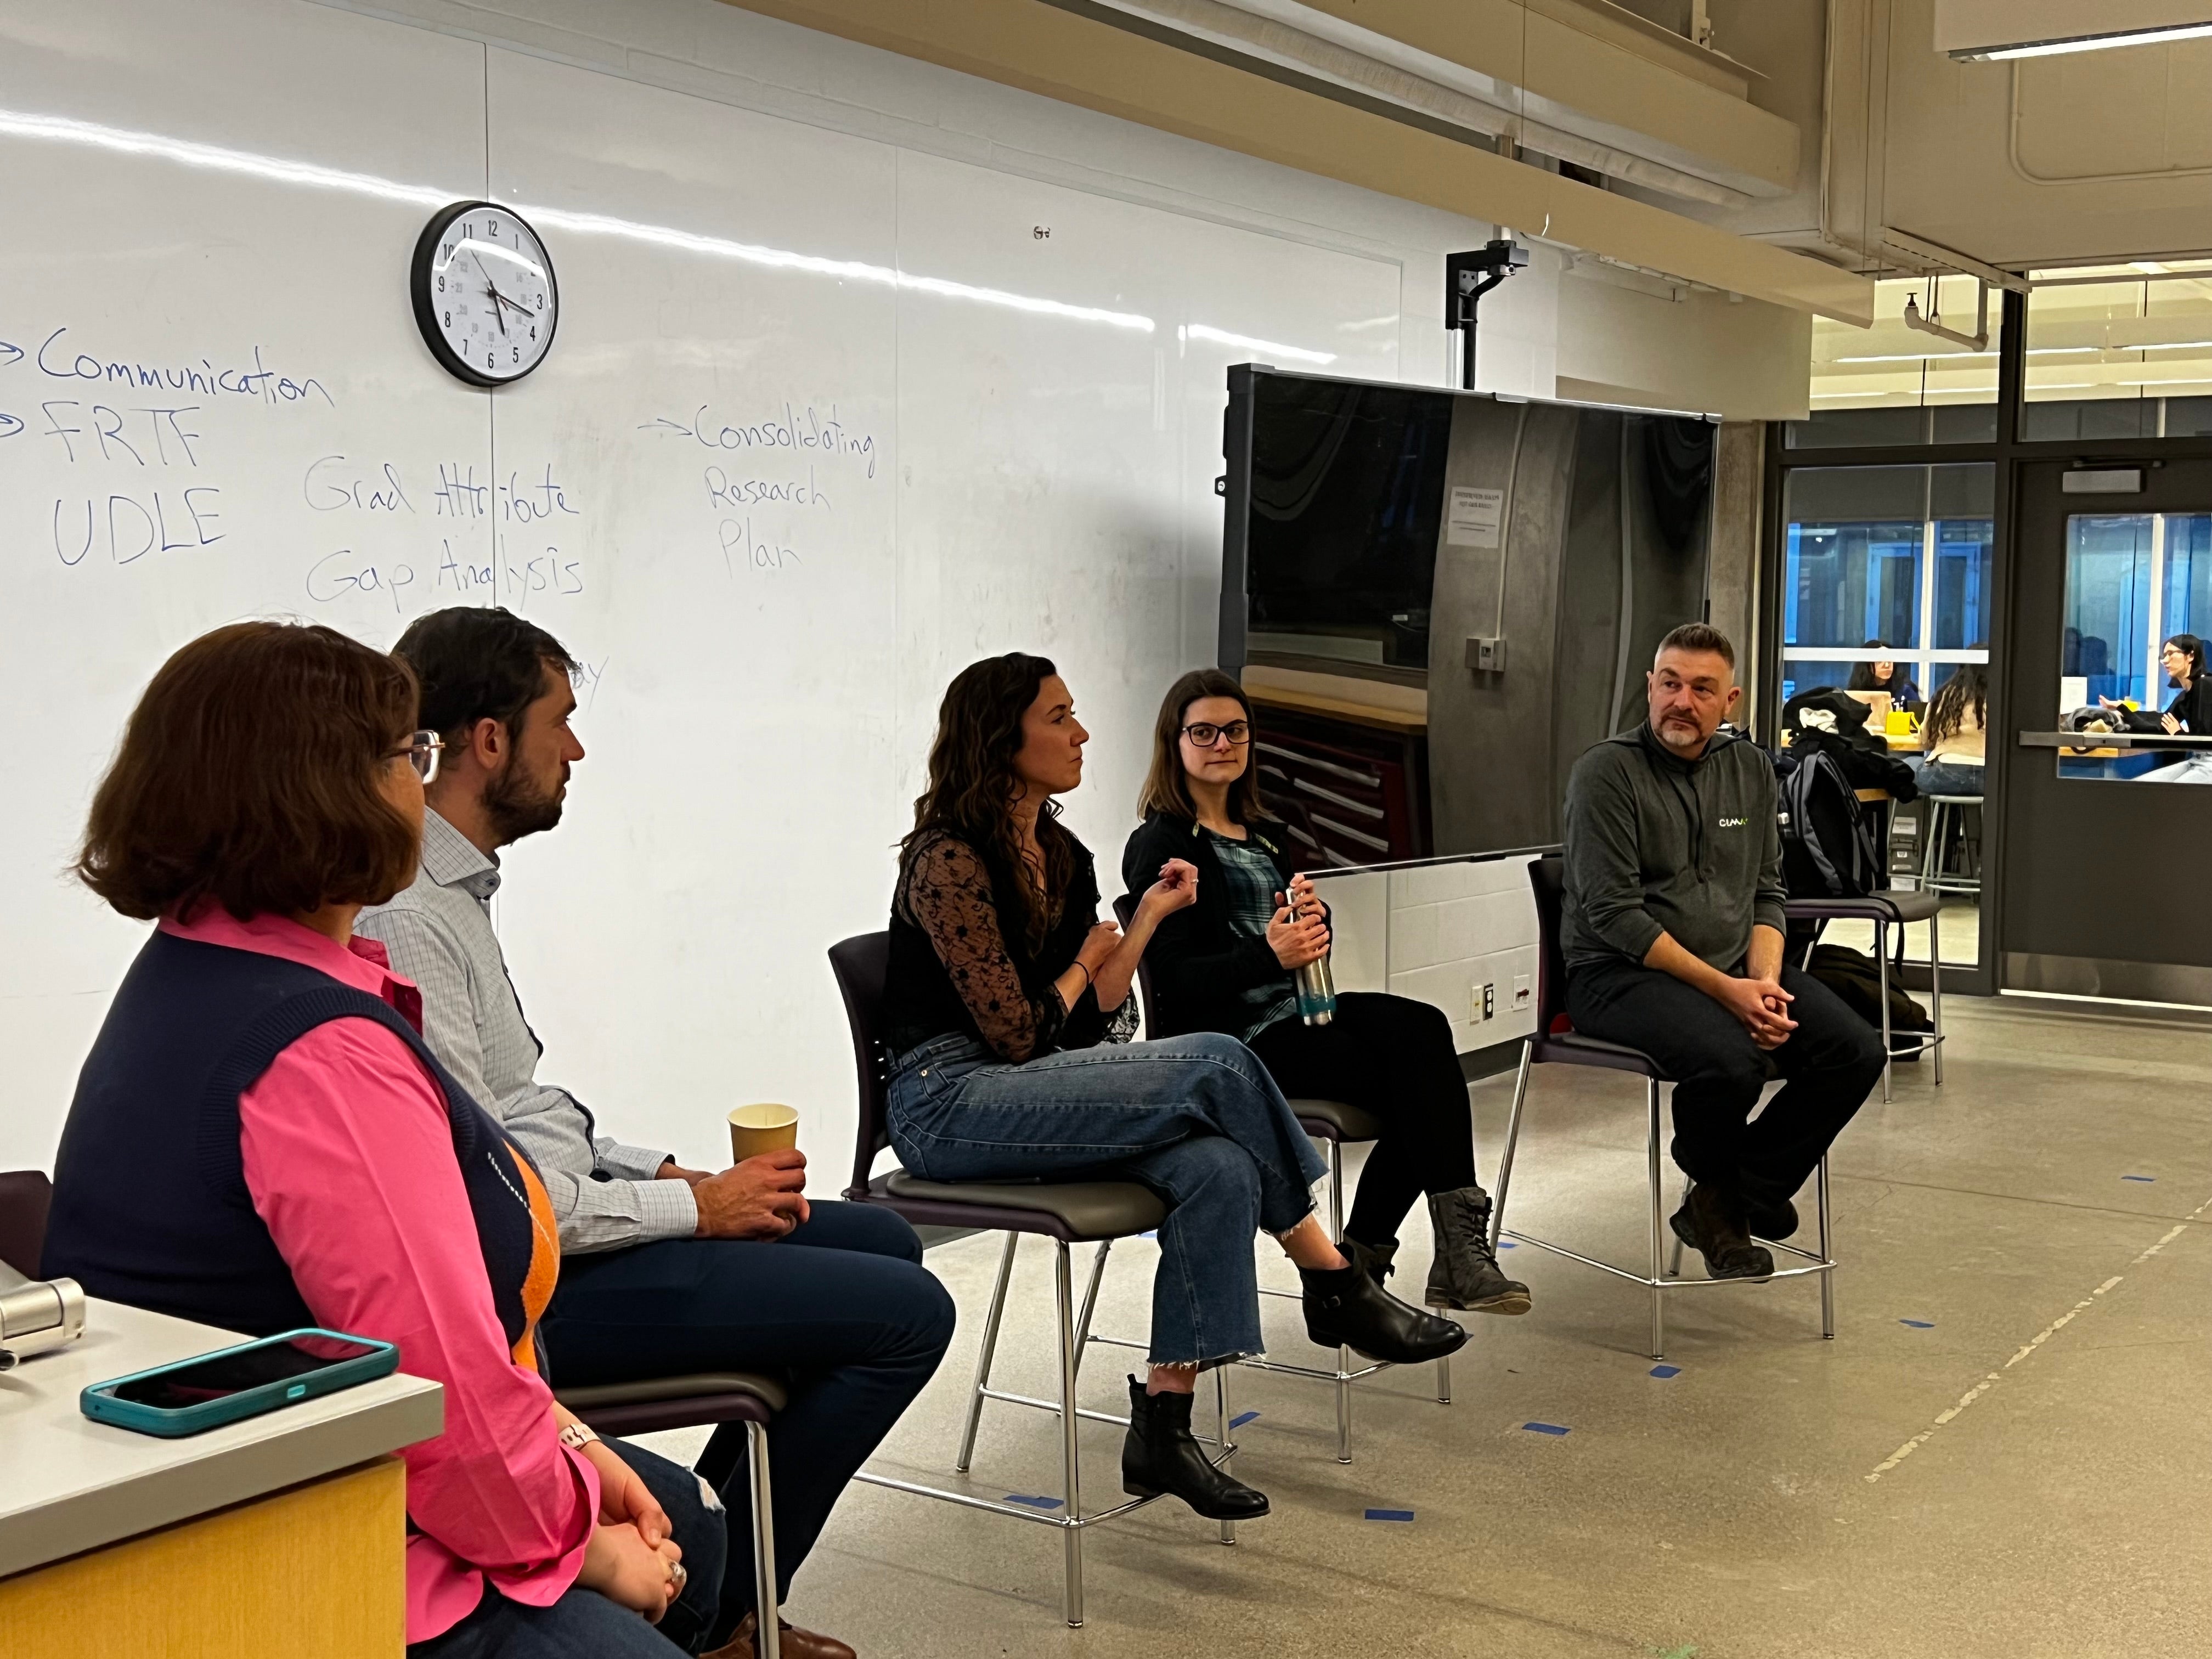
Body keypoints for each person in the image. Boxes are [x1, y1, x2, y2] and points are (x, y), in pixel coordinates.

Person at [42, 620, 726, 1657]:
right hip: (304, 1539)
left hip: (256, 1477)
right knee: (678, 1552)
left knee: (693, 1533)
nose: (424, 781)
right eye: (411, 755)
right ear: (325, 794)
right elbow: (445, 1395)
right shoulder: (323, 1052)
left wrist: (571, 1441)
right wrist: (582, 1543)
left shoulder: (196, 965)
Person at [358, 607, 951, 1659]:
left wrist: (662, 1169)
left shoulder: (454, 892)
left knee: (885, 1240)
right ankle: (725, 1613)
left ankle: (722, 1598)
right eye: (560, 721)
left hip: (561, 1226)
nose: (576, 749)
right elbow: (489, 1193)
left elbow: (520, 1107)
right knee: (906, 1312)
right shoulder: (409, 915)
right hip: (537, 1283)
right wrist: (693, 1207)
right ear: (489, 739)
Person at [883, 653, 1464, 1522]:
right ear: (1001, 737)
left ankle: (1163, 1422)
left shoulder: (1059, 853)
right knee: (1218, 1060)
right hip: (947, 1102)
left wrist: (1144, 922)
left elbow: (1092, 1026)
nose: (1081, 734)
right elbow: (1014, 1031)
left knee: (1219, 1168)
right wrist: (1083, 963)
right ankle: (1333, 1278)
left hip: (1029, 1087)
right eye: (1060, 718)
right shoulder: (947, 860)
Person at [1120, 669, 1530, 1316]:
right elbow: (1176, 980)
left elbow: (1284, 943)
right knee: (1421, 1092)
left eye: (1235, 731)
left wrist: (1312, 927)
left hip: (1296, 1013)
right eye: (1203, 732)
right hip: (1234, 1045)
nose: (1222, 744)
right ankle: (1368, 1275)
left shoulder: (1265, 833)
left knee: (1425, 1029)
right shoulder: (1161, 844)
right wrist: (1271, 952)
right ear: (1174, 742)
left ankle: (1382, 1271)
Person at [1559, 624, 1887, 1279]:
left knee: (1855, 1051)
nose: (1682, 701)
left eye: (1702, 689)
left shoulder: (1751, 769)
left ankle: (1735, 1193)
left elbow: (1766, 891)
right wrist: (1730, 993)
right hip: (1617, 974)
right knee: (1733, 1061)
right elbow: (1616, 916)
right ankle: (1729, 1202)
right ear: (1650, 687)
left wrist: (1763, 985)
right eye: (1670, 684)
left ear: (1730, 700)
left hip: (1735, 967)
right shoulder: (1606, 773)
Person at [2103, 633, 2212, 782]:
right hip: (2197, 760)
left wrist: (2179, 734)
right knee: (2139, 786)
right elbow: (2161, 724)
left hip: (2209, 763)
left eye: (2171, 654)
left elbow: (2206, 739)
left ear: (2191, 656)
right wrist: (2122, 710)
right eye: (2164, 656)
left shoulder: (2206, 686)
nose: (2165, 661)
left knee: (2165, 792)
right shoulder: (2185, 696)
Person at [1916, 662, 1989, 799]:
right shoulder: (2001, 699)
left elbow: (1925, 739)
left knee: (1908, 764)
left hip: (1945, 776)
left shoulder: (1946, 696)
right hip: (1987, 779)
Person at [1847, 642, 1919, 708]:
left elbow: (1917, 717)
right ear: (1867, 665)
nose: (1887, 665)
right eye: (1880, 661)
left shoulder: (1905, 691)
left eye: (1890, 660)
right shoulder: (1855, 694)